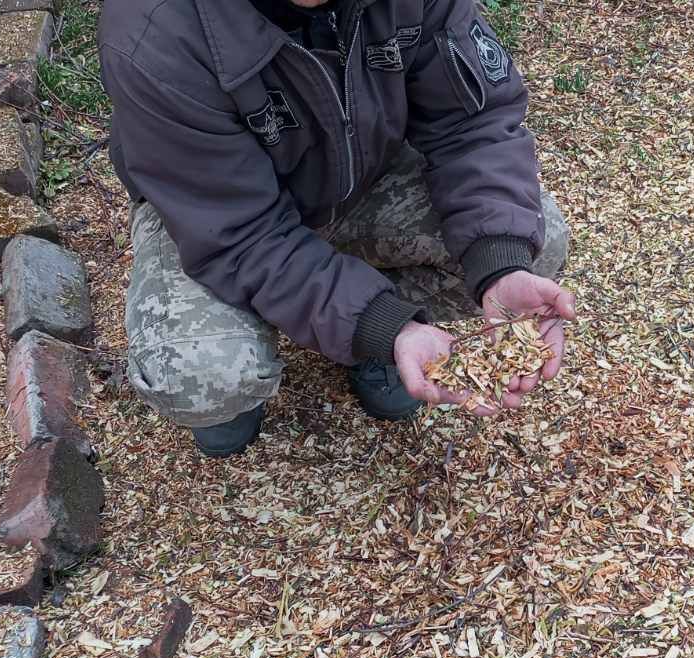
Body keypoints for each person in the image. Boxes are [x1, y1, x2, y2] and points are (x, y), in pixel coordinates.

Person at [98, 0, 575, 456]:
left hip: (362, 179)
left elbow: (472, 123)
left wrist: (492, 271)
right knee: (205, 375)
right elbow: (240, 236)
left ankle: (381, 335)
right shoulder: (152, 32)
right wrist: (381, 325)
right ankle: (251, 383)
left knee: (528, 237)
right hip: (211, 213)